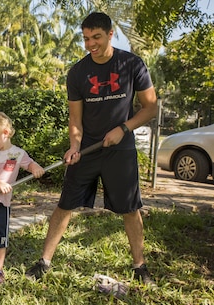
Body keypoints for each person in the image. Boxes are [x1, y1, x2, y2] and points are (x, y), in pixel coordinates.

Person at [25, 12, 158, 285]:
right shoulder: (78, 72)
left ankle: (140, 266)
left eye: (96, 37)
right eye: (86, 38)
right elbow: (75, 120)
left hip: (120, 151)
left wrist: (123, 128)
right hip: (87, 150)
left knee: (130, 208)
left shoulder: (132, 64)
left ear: (111, 34)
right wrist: (74, 145)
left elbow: (151, 108)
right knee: (65, 205)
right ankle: (44, 261)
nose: (90, 44)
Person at [0, 112, 45, 285]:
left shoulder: (16, 154)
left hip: (3, 202)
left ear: (5, 133)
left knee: (1, 235)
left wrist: (36, 168)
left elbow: (29, 163)